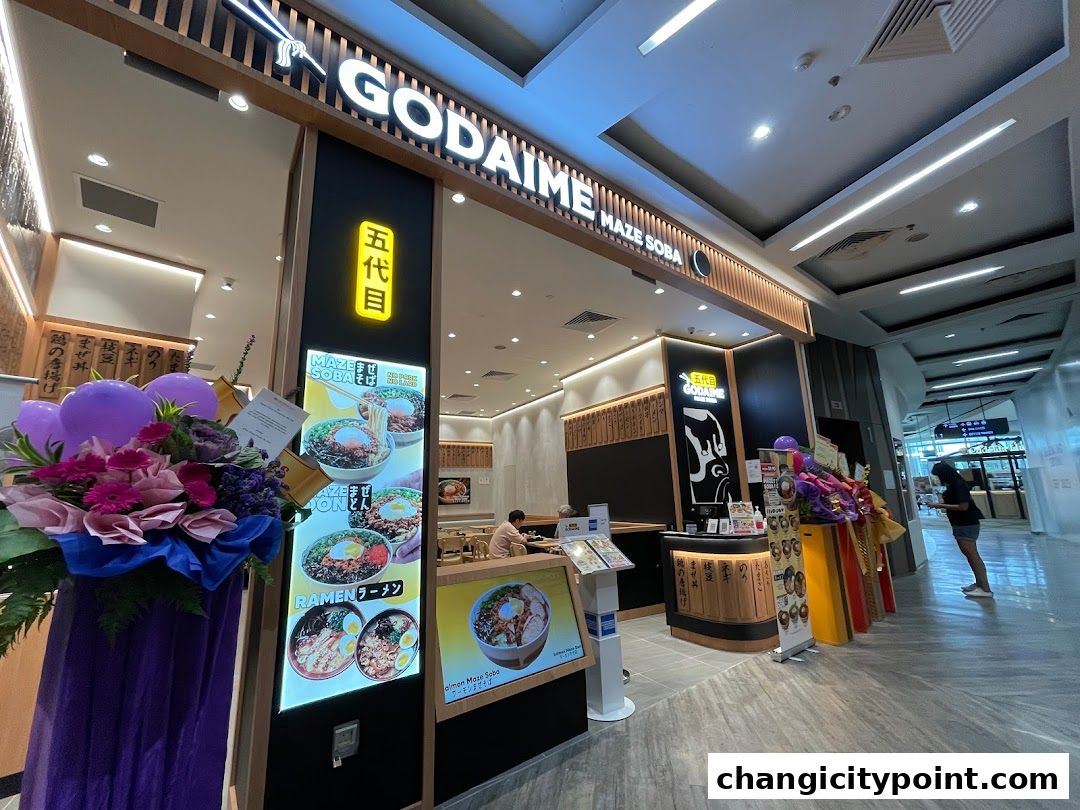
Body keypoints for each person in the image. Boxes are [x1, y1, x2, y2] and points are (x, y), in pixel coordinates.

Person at [928, 461, 992, 598]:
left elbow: (963, 507)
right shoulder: (956, 484)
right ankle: (980, 583)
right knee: (970, 555)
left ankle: (985, 588)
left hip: (965, 523)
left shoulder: (958, 485)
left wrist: (939, 505)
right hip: (962, 523)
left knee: (972, 555)